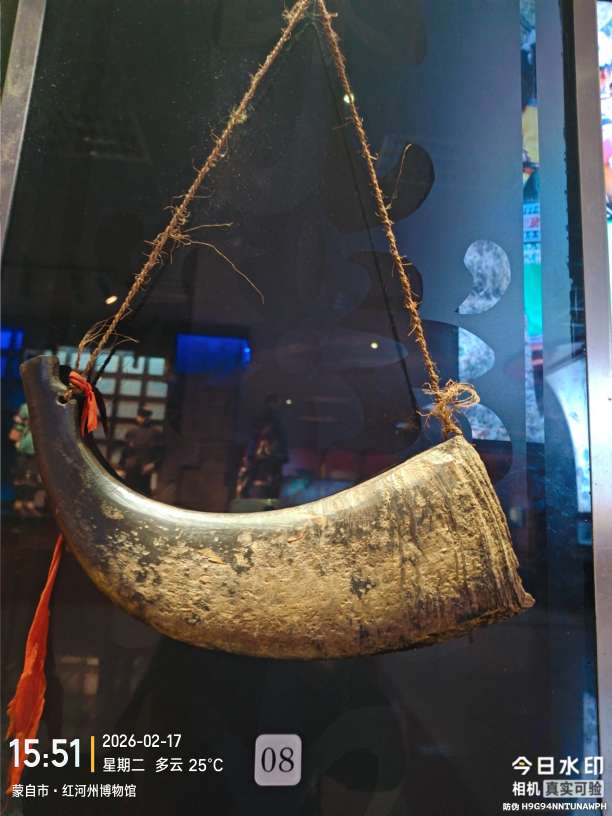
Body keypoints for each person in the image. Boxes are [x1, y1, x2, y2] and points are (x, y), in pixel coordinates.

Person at [236, 394, 288, 499]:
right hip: (265, 451)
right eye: (277, 402)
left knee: (265, 472)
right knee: (259, 472)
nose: (278, 405)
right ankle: (250, 493)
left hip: (267, 451)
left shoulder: (272, 417)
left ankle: (265, 494)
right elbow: (265, 431)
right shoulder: (269, 417)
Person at [117, 407, 164, 497]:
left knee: (143, 494)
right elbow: (125, 451)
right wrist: (121, 467)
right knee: (128, 493)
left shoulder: (156, 433)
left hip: (145, 468)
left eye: (145, 417)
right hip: (131, 467)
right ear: (137, 417)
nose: (142, 419)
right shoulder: (131, 432)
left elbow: (161, 453)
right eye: (140, 416)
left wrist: (153, 464)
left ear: (149, 418)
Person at [9, 403, 43, 516]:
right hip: (24, 448)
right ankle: (19, 504)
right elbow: (17, 427)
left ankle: (29, 504)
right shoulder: (25, 407)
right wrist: (17, 438)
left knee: (33, 477)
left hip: (36, 449)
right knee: (20, 476)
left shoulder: (41, 405)